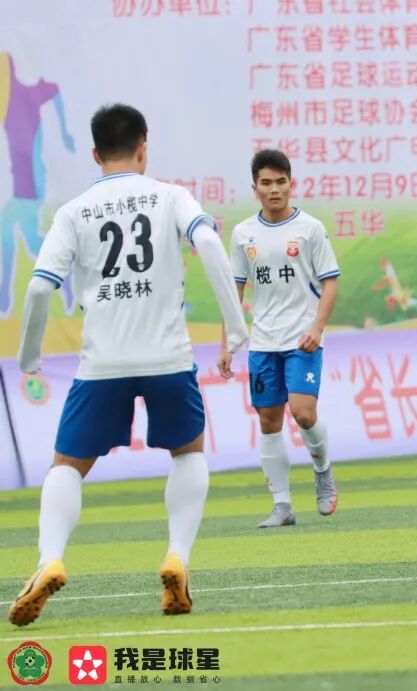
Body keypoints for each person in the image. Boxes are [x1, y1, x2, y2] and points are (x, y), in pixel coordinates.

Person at [9, 104, 248, 626]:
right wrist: (235, 327)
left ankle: (50, 559)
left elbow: (39, 287)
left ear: (95, 154)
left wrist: (29, 357)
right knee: (188, 452)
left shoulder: (74, 212)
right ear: (144, 146)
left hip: (102, 363)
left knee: (67, 466)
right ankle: (177, 557)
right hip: (168, 357)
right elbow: (208, 240)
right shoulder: (171, 196)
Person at [218, 150, 340, 528]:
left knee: (303, 413)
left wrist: (317, 327)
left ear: (291, 184)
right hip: (263, 342)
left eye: (281, 182)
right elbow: (234, 291)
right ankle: (282, 505)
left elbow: (330, 282)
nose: (274, 190)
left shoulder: (310, 229)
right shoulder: (243, 234)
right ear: (254, 188)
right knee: (268, 420)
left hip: (302, 339)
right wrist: (227, 344)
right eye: (266, 183)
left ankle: (322, 470)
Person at [1, 51, 77, 316]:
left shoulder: (22, 95)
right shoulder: (6, 104)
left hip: (32, 183)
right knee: (33, 241)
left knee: (4, 225)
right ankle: (65, 276)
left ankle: (4, 294)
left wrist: (65, 131)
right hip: (23, 181)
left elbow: (54, 90)